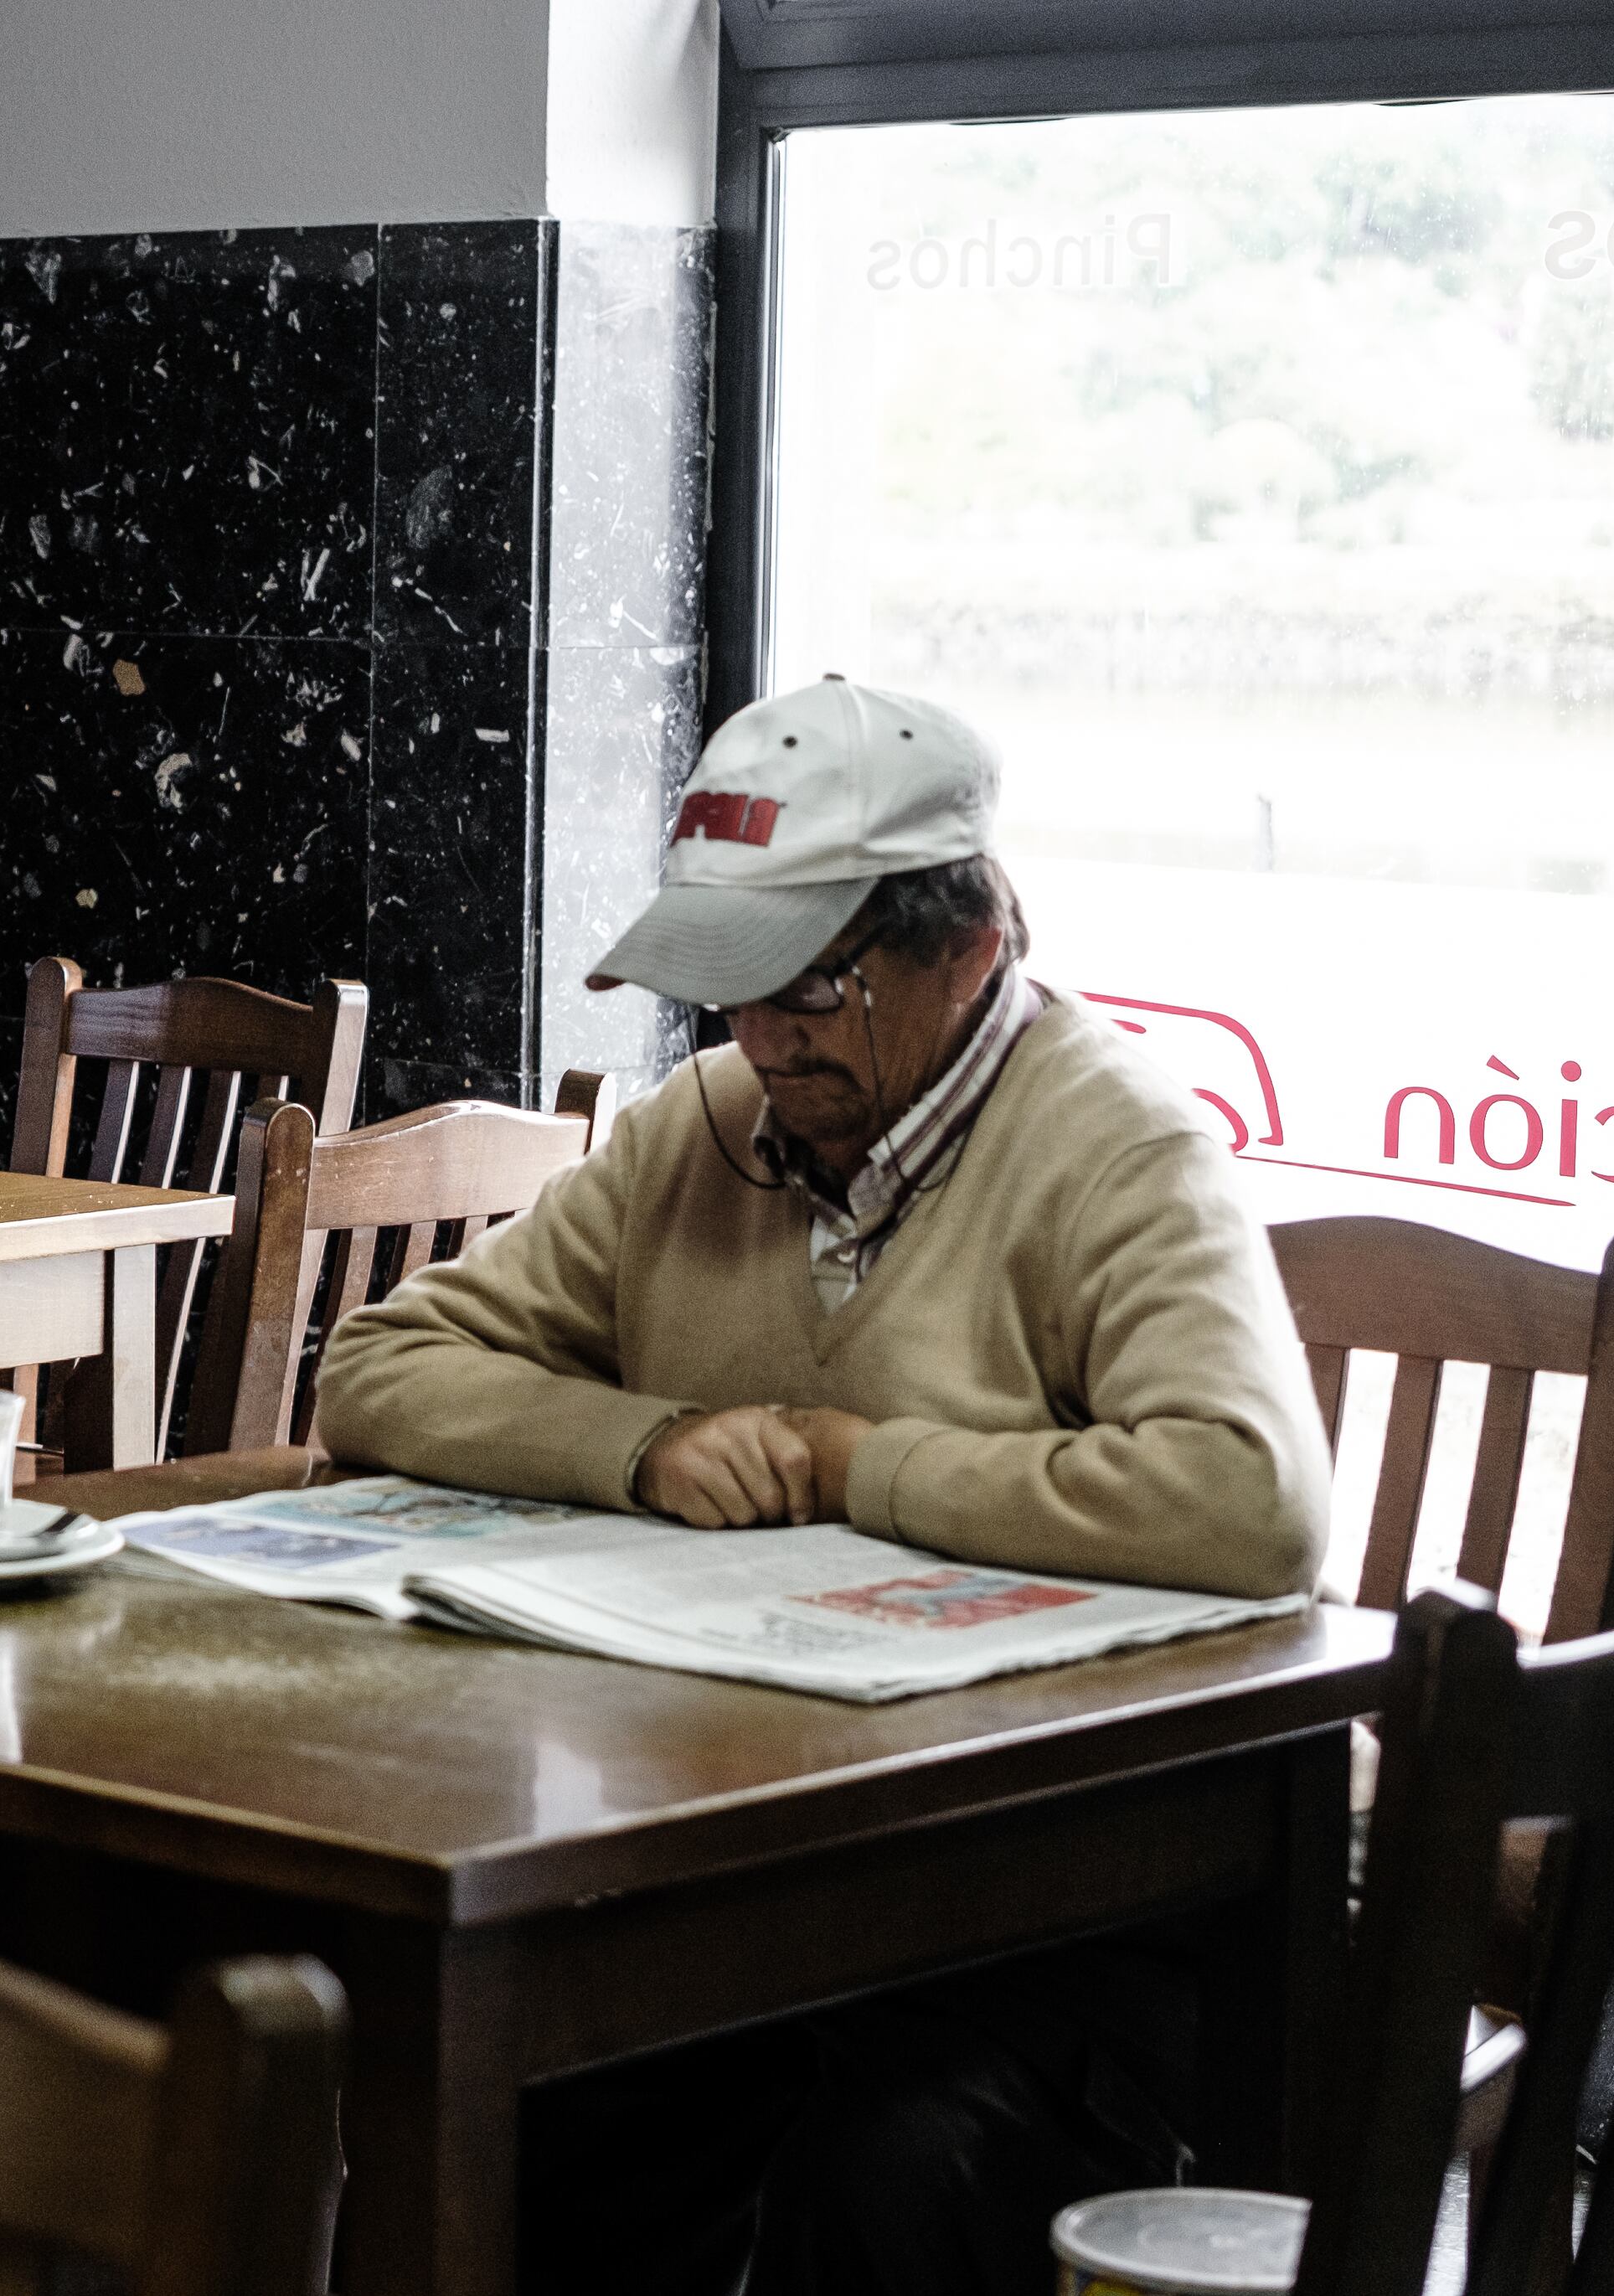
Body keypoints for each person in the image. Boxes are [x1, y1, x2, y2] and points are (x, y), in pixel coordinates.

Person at [312, 675, 1329, 2296]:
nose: (764, 1039)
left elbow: (1250, 1497)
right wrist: (640, 1444)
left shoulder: (1120, 1142)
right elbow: (372, 1371)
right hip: (780, 1886)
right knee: (550, 2121)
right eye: (730, 993)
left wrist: (868, 1466)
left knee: (893, 2174)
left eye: (811, 989)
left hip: (1097, 1909)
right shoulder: (702, 1126)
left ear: (971, 946)